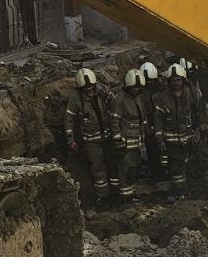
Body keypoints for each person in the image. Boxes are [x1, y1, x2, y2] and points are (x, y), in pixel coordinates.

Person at [154, 63, 208, 193]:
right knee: (176, 168)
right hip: (174, 140)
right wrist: (159, 138)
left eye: (178, 80)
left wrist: (204, 129)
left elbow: (205, 112)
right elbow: (158, 119)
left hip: (194, 136)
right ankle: (181, 191)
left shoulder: (193, 93)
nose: (176, 83)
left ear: (183, 80)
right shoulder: (163, 98)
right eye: (173, 80)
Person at [64, 68, 115, 201]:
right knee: (98, 169)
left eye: (91, 87)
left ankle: (117, 194)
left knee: (113, 165)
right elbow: (68, 120)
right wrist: (70, 140)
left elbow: (116, 107)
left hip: (109, 136)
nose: (89, 91)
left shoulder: (104, 91)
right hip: (91, 141)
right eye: (85, 89)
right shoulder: (75, 99)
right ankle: (103, 196)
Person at [112, 69, 153, 197]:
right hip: (125, 143)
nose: (136, 90)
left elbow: (142, 117)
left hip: (137, 142)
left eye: (138, 88)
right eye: (134, 88)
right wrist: (118, 141)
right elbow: (114, 122)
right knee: (126, 168)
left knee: (135, 167)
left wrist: (145, 132)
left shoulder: (139, 97)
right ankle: (126, 196)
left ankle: (133, 193)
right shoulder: (120, 99)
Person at [139, 61, 166, 188]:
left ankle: (167, 173)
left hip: (163, 124)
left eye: (150, 81)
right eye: (146, 81)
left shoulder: (163, 90)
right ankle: (156, 174)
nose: (148, 83)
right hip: (148, 126)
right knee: (152, 151)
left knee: (166, 150)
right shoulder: (140, 91)